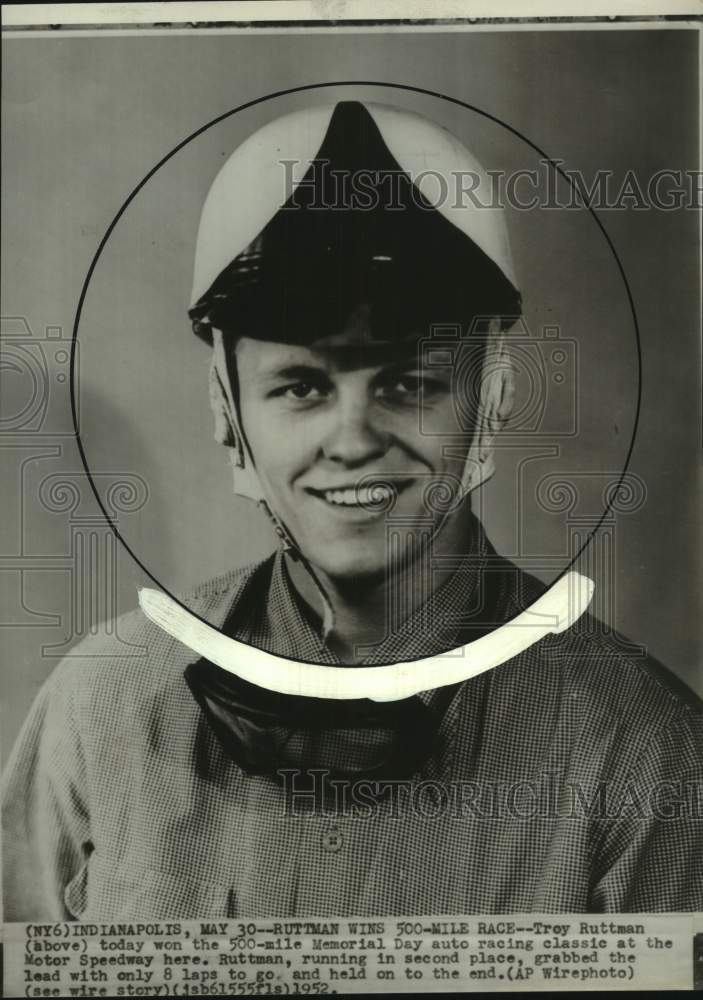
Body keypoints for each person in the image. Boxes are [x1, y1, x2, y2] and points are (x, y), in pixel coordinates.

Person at [3, 101, 701, 921]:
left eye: (408, 383)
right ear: (227, 410)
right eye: (301, 387)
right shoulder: (104, 705)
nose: (352, 440)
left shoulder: (642, 752)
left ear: (495, 394)